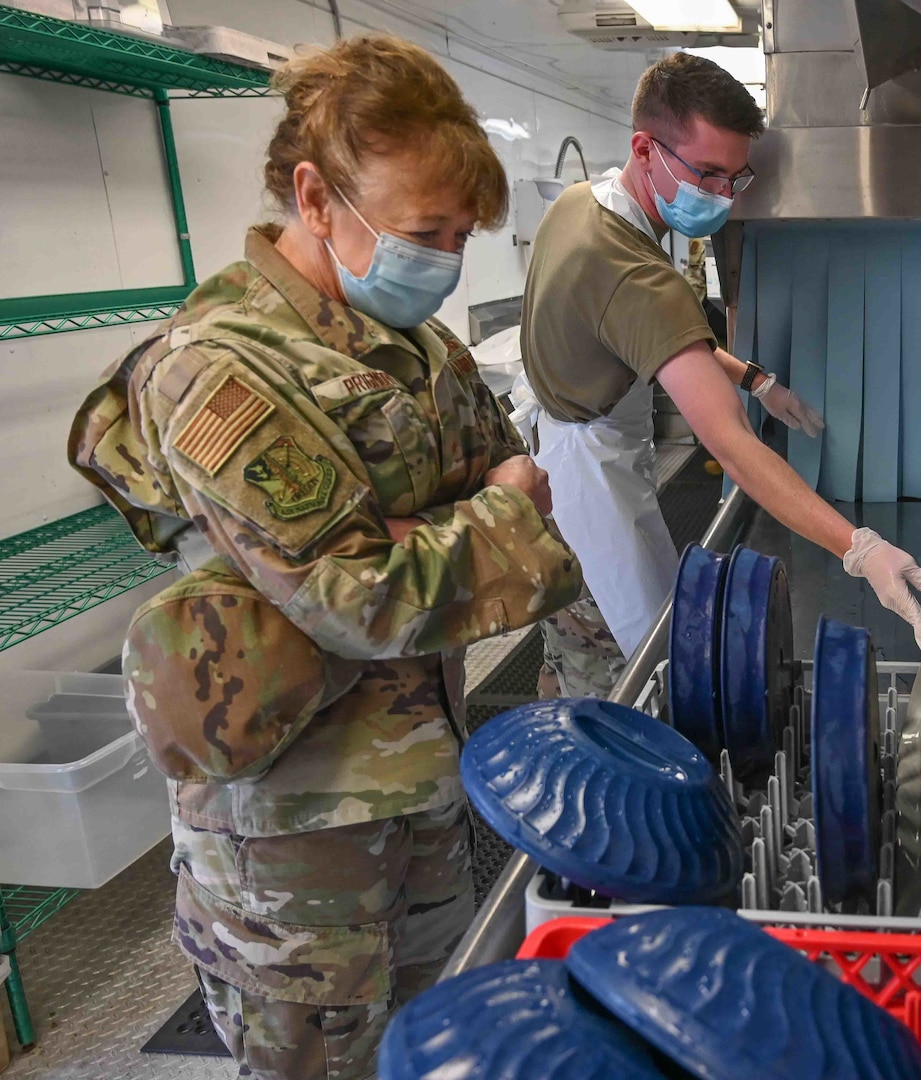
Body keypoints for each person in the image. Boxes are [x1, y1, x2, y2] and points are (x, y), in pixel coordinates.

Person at [67, 36, 581, 1080]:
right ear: (314, 196)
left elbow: (517, 482)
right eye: (419, 232)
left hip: (423, 780)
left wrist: (406, 543)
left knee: (423, 1048)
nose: (439, 259)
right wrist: (442, 535)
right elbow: (362, 603)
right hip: (292, 831)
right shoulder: (219, 369)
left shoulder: (417, 349)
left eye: (457, 235)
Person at [515, 53, 921, 699]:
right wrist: (858, 547)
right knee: (627, 681)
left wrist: (753, 378)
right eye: (706, 174)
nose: (718, 195)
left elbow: (637, 333)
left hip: (553, 473)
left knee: (573, 646)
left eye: (734, 179)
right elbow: (731, 444)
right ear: (644, 147)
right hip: (587, 496)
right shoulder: (638, 275)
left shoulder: (580, 205)